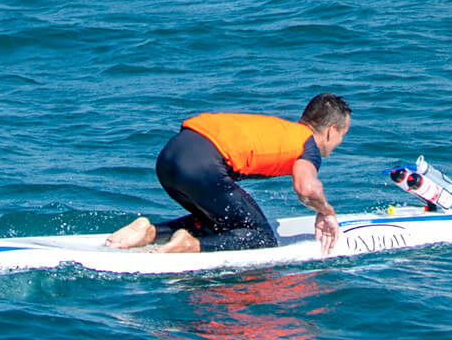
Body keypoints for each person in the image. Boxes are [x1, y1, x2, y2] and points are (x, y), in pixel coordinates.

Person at [106, 93, 351, 256]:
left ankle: (151, 232)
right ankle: (190, 245)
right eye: (343, 135)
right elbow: (307, 188)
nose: (339, 143)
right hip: (202, 164)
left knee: (221, 223)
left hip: (170, 156)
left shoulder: (280, 129)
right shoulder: (308, 145)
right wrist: (326, 212)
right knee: (260, 236)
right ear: (331, 131)